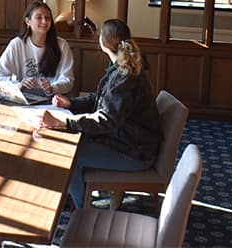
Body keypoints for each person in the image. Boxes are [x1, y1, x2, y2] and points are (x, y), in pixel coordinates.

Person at [38, 18, 162, 209]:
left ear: (103, 43)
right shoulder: (122, 69)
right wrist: (71, 104)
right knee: (71, 143)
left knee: (69, 154)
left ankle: (83, 211)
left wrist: (64, 124)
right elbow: (100, 99)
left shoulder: (125, 76)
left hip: (134, 152)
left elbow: (106, 120)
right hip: (128, 142)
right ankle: (78, 198)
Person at [0, 1, 74, 96]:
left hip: (52, 99)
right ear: (28, 21)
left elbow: (68, 80)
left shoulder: (62, 45)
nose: (44, 21)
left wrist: (52, 87)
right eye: (39, 17)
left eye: (47, 18)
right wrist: (18, 85)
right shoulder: (17, 44)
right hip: (24, 98)